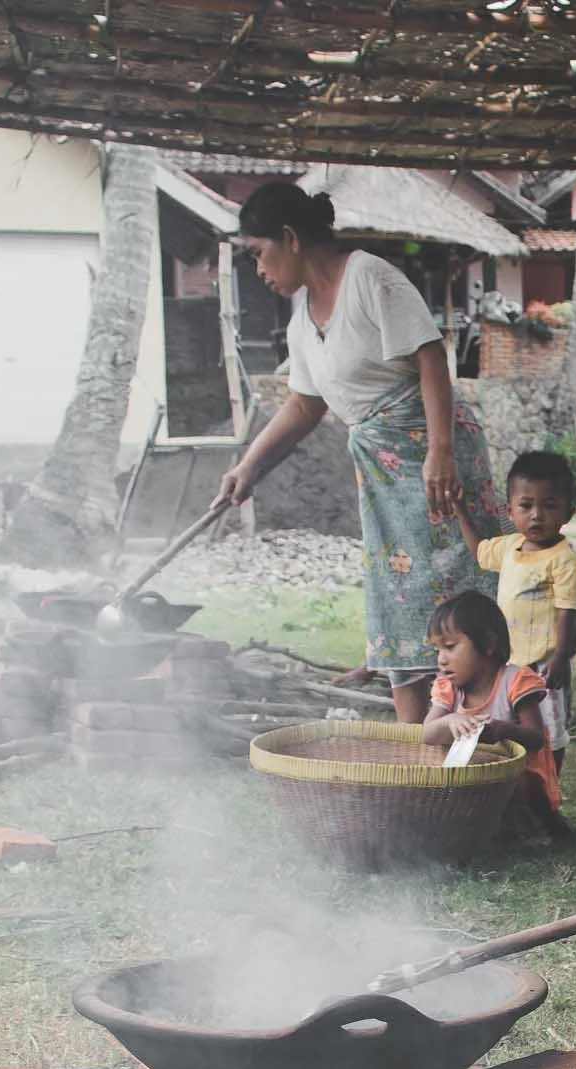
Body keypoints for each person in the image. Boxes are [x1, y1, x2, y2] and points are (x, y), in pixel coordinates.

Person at [214, 182, 508, 721]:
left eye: (258, 253)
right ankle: (414, 739)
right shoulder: (304, 320)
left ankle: (499, 712)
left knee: (458, 583)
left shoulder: (369, 276)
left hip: (432, 456)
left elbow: (430, 358)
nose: (257, 269)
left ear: (289, 238)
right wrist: (249, 466)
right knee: (396, 593)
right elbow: (305, 406)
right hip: (381, 473)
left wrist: (439, 453)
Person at [457, 451, 576, 771]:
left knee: (550, 729)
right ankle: (518, 781)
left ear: (568, 512)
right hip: (509, 660)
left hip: (545, 663)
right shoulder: (509, 547)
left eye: (549, 506)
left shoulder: (564, 560)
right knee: (511, 723)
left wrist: (560, 658)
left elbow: (567, 611)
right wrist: (459, 510)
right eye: (526, 506)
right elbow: (478, 552)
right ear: (511, 511)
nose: (537, 516)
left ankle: (551, 785)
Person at [422, 591, 569, 840]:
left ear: (488, 644)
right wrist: (450, 720)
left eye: (450, 647)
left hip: (515, 782)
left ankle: (529, 826)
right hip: (468, 778)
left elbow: (535, 738)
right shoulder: (448, 689)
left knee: (517, 787)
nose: (441, 660)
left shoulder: (515, 682)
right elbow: (427, 733)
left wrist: (504, 730)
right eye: (438, 650)